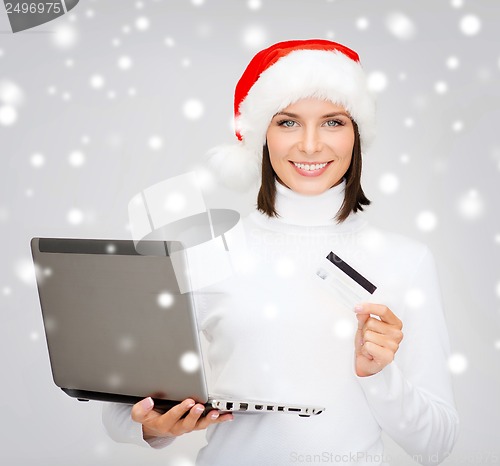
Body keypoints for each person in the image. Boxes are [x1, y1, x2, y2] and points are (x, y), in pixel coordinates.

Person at [103, 39, 459, 465]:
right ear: (259, 136)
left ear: (357, 133)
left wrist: (380, 376)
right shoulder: (209, 253)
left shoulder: (407, 260)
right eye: (288, 123)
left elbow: (438, 443)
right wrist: (151, 425)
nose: (310, 146)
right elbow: (121, 409)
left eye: (333, 122)